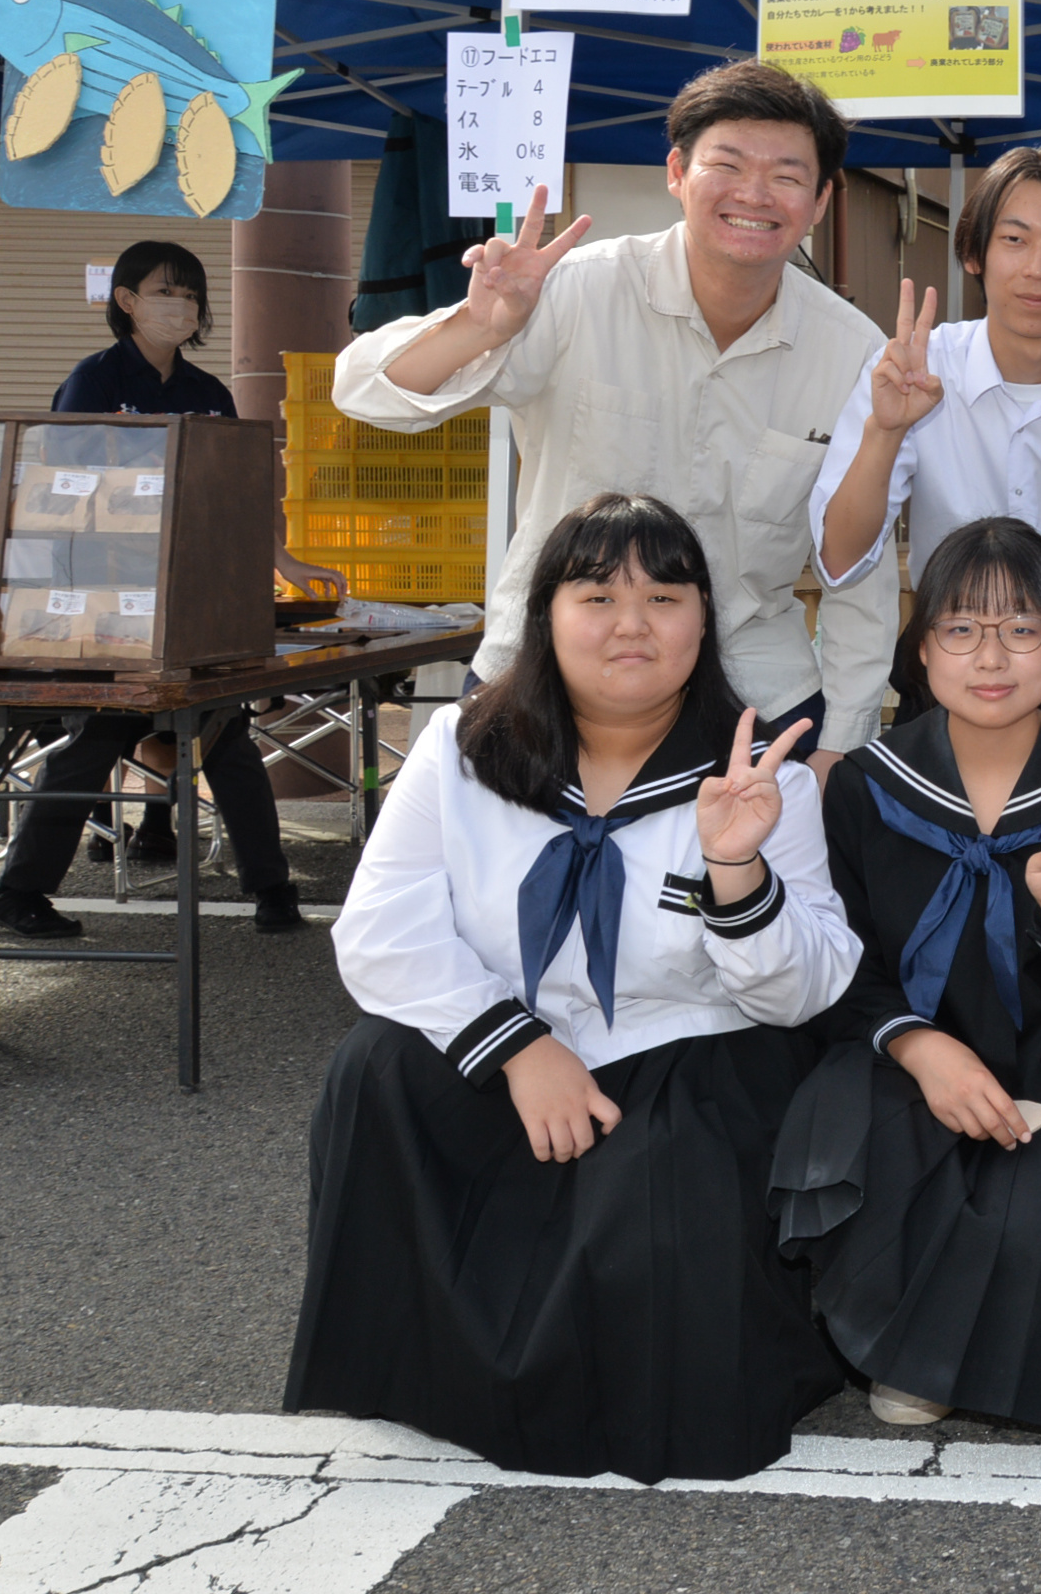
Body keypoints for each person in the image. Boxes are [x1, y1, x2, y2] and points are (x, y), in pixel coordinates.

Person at [285, 493, 862, 1483]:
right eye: (597, 596)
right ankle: (419, 1362)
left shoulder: (766, 776)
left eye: (664, 597)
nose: (632, 624)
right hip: (514, 1051)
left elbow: (807, 989)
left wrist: (736, 870)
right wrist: (518, 1047)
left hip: (682, 1059)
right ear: (545, 615)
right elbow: (380, 932)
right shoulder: (460, 748)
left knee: (664, 1192)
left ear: (703, 621)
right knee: (376, 1066)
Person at [336, 61, 900, 776]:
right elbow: (363, 392)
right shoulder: (572, 292)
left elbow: (861, 570)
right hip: (549, 677)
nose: (754, 194)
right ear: (677, 173)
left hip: (752, 689)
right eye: (727, 165)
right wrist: (480, 327)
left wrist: (840, 743)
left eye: (786, 176)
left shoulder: (853, 352)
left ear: (819, 201)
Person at [768, 518, 1041, 1433]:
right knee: (871, 1156)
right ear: (921, 648)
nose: (990, 657)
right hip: (904, 1058)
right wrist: (921, 1049)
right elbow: (841, 966)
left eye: (1022, 628)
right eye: (960, 628)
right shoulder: (867, 785)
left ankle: (953, 1352)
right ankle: (908, 1345)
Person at [0, 240, 344, 941]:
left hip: (191, 602)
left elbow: (238, 492)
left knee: (227, 738)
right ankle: (20, 892)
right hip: (107, 600)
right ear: (126, 301)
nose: (180, 307)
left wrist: (283, 560)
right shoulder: (92, 381)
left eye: (189, 295)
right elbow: (60, 492)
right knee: (93, 739)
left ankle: (271, 888)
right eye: (164, 292)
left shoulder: (208, 392)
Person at [810, 145, 1041, 757]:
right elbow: (840, 559)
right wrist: (885, 430)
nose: (1038, 268)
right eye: (1014, 239)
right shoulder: (916, 371)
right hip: (950, 648)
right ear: (974, 254)